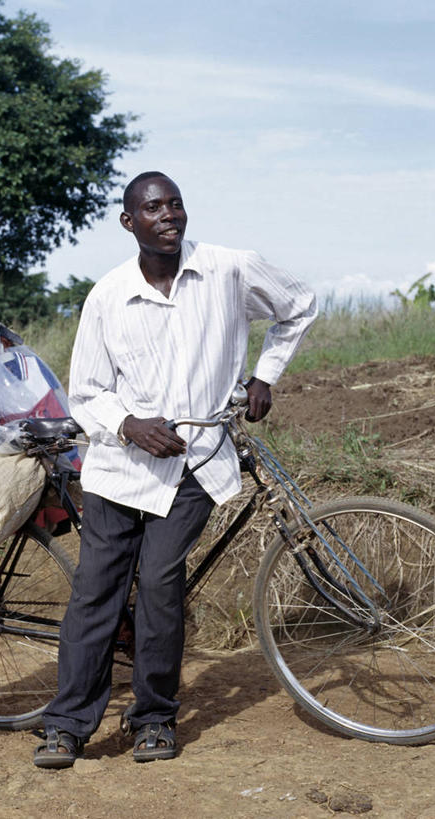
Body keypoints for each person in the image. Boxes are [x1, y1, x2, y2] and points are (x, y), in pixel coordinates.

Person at [33, 172, 317, 768]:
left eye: (176, 204)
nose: (169, 215)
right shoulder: (108, 296)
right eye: (153, 207)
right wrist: (130, 423)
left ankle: (154, 717)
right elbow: (86, 390)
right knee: (96, 591)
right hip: (118, 467)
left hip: (198, 461)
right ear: (128, 222)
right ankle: (66, 724)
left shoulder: (227, 270)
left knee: (161, 581)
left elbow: (299, 304)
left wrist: (266, 373)